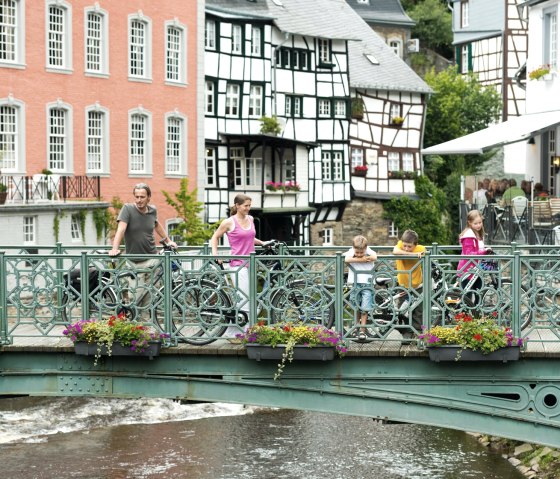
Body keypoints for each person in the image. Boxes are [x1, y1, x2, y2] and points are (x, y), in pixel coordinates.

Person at [109, 183, 177, 314]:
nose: (139, 200)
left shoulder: (153, 210)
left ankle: (144, 329)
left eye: (142, 197)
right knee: (136, 298)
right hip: (135, 262)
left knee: (150, 296)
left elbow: (157, 225)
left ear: (149, 197)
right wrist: (114, 248)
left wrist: (168, 241)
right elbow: (121, 229)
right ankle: (136, 327)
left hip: (152, 259)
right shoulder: (127, 209)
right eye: (137, 197)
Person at [210, 194, 265, 339]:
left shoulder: (251, 219)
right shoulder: (229, 222)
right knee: (244, 300)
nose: (248, 208)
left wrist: (263, 243)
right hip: (237, 266)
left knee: (247, 299)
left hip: (251, 265)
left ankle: (233, 333)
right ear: (237, 205)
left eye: (249, 205)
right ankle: (247, 334)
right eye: (246, 205)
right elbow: (215, 237)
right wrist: (216, 255)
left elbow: (250, 237)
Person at [392, 229, 426, 338]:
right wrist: (412, 254)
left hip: (417, 285)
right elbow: (395, 251)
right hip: (403, 286)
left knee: (418, 311)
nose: (406, 248)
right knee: (402, 310)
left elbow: (423, 252)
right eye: (405, 245)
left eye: (409, 246)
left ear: (415, 245)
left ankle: (416, 334)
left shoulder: (421, 248)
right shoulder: (400, 245)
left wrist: (416, 253)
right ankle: (406, 333)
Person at [344, 235, 377, 341]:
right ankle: (355, 327)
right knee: (355, 306)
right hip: (355, 282)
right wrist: (361, 259)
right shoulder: (351, 251)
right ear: (353, 248)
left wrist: (366, 257)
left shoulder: (368, 250)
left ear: (365, 248)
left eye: (361, 252)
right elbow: (346, 259)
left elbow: (375, 257)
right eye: (356, 252)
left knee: (365, 307)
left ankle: (362, 330)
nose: (358, 254)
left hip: (367, 283)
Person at [458, 210, 492, 305]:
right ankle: (464, 318)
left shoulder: (477, 233)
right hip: (468, 270)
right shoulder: (468, 235)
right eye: (475, 223)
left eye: (480, 222)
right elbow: (469, 254)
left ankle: (476, 316)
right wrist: (484, 251)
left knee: (478, 294)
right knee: (467, 297)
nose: (478, 225)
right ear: (469, 223)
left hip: (476, 269)